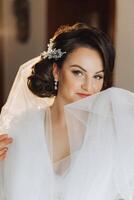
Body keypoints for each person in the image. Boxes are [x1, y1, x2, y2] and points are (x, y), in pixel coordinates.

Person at [0, 23, 134, 200]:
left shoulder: (113, 136)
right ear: (56, 71)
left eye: (97, 76)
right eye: (78, 73)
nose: (89, 86)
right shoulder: (21, 131)